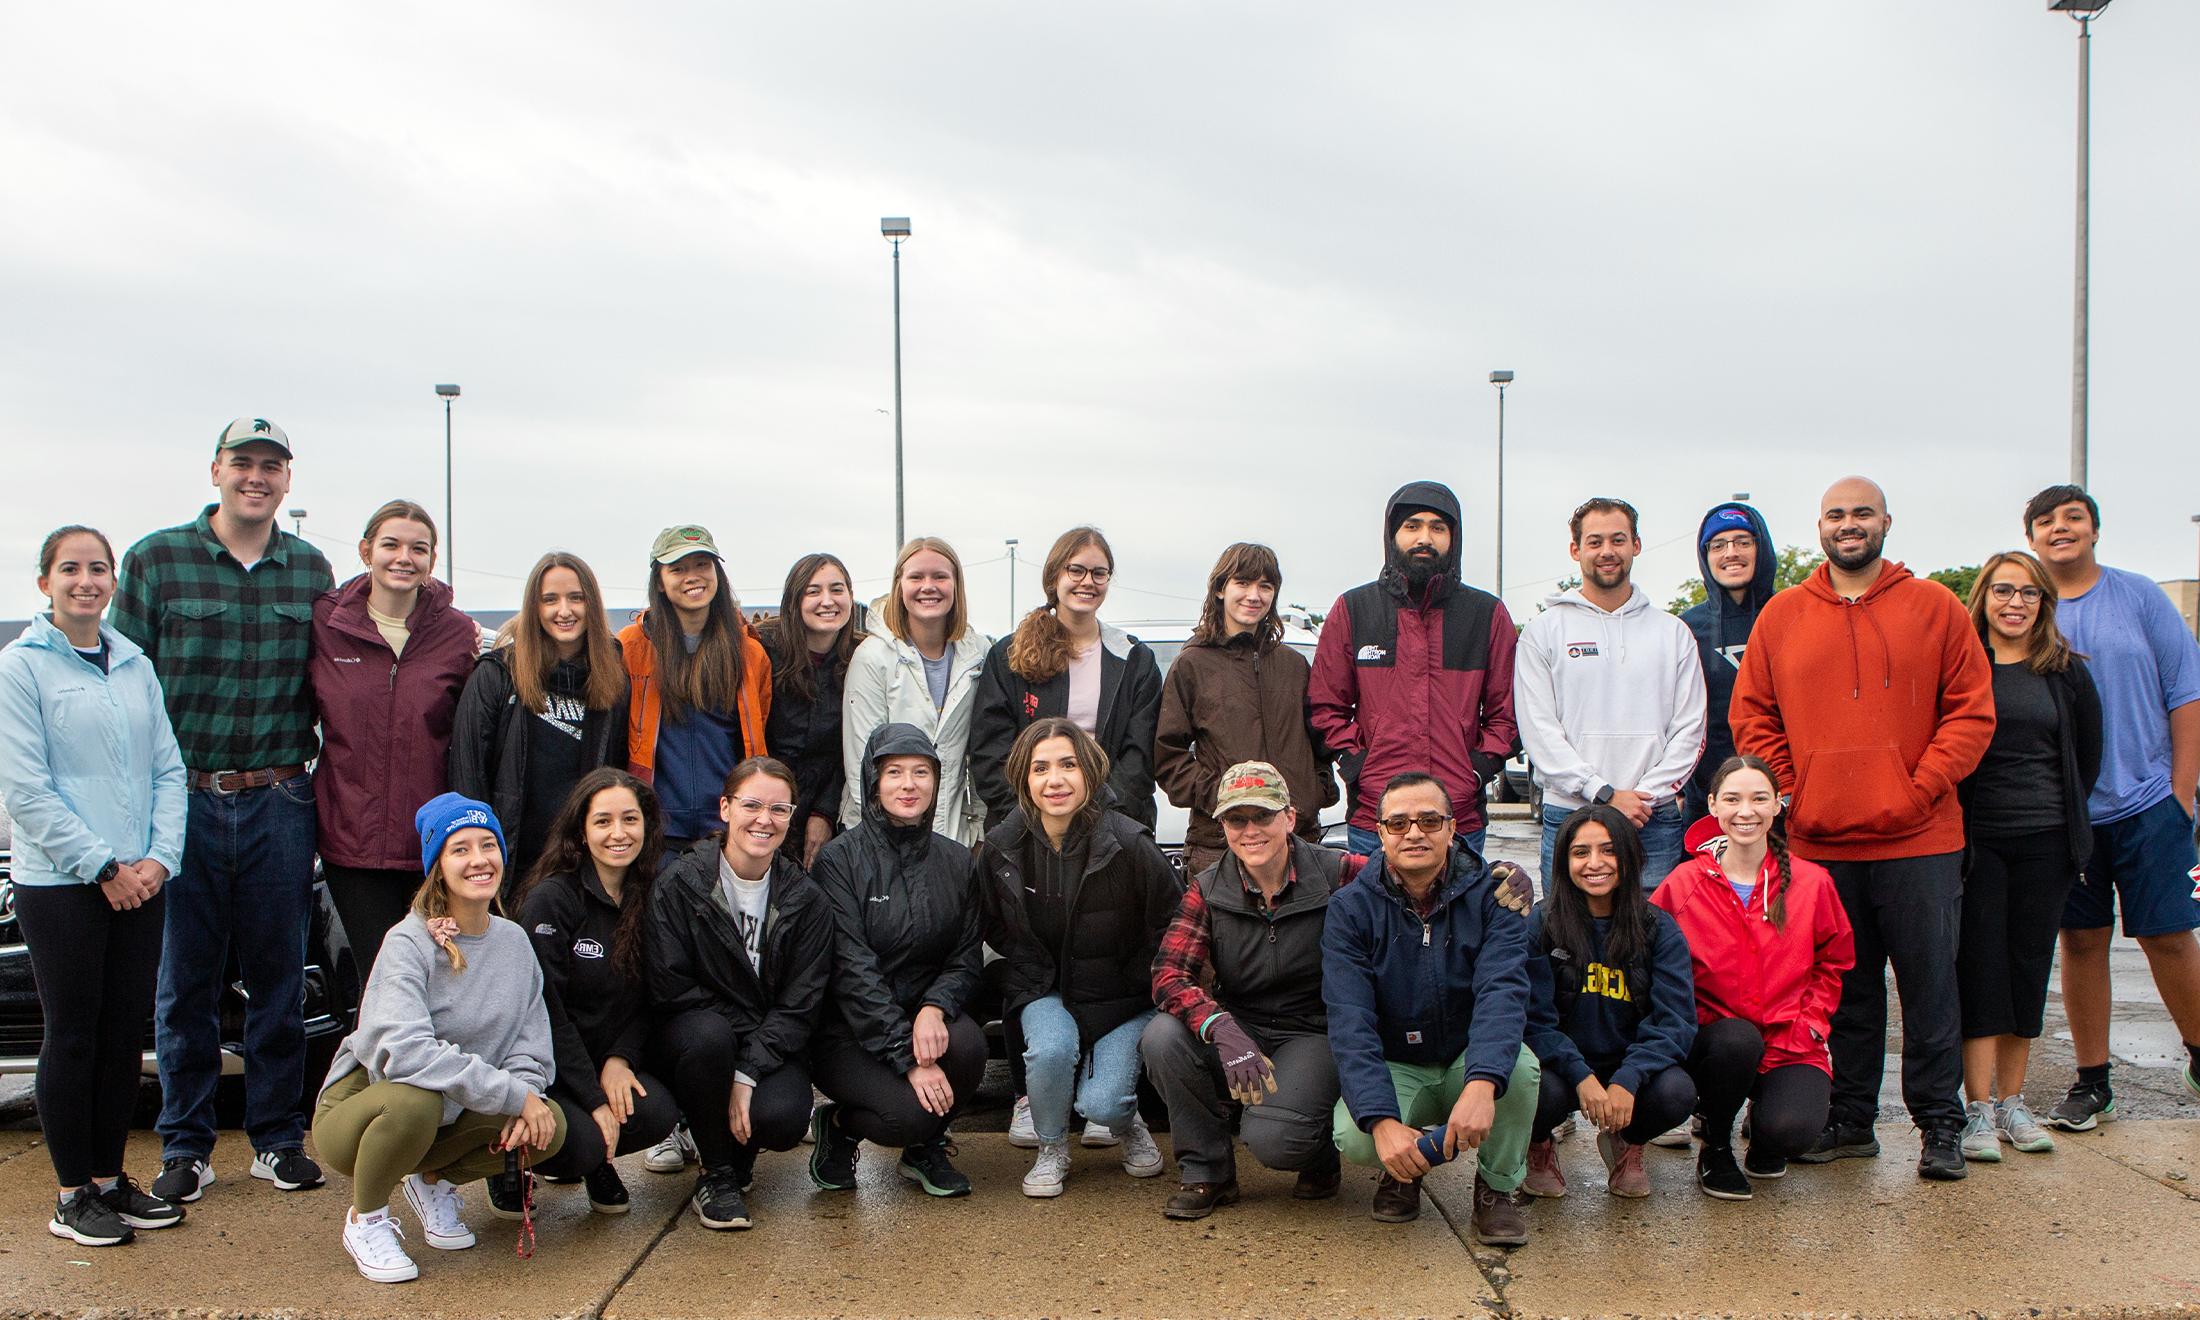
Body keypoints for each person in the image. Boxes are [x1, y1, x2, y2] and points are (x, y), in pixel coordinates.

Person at [1730, 476, 1994, 1180]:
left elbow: (1970, 713)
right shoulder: (1784, 615)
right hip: (1820, 840)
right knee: (1844, 991)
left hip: (1921, 839)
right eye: (1836, 515)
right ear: (1819, 527)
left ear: (1886, 522)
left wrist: (1919, 789)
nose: (1850, 525)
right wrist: (1792, 793)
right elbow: (1753, 717)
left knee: (1931, 985)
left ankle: (1940, 1122)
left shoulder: (1935, 607)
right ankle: (1850, 1119)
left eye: (1863, 514)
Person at [111, 417, 335, 1204]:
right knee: (186, 986)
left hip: (279, 797)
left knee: (280, 982)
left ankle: (278, 1139)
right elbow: (122, 689)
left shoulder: (311, 571)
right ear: (215, 470)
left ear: (287, 479)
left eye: (272, 466)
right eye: (244, 462)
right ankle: (187, 1146)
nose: (257, 477)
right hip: (184, 803)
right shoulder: (156, 560)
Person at [0, 527, 189, 1246]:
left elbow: (167, 771)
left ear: (114, 580)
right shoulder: (20, 668)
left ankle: (111, 1180)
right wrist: (102, 868)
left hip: (141, 880)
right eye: (70, 568)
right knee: (74, 1036)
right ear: (45, 582)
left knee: (120, 1038)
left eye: (98, 568)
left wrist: (157, 861)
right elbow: (26, 788)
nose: (86, 580)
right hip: (63, 885)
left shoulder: (135, 663)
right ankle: (72, 1194)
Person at [310, 794, 563, 1284]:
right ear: (438, 867)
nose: (478, 860)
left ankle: (432, 1181)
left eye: (487, 845)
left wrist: (525, 1095)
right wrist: (511, 1095)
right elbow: (405, 1054)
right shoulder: (409, 942)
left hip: (448, 1110)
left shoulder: (514, 942)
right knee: (415, 1101)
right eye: (460, 849)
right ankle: (366, 1220)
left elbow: (531, 1045)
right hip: (362, 1113)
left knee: (548, 1124)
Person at [2024, 485, 2200, 1123]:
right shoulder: (2029, 609)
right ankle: (2092, 1080)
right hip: (2070, 815)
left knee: (2169, 936)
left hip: (2150, 802)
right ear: (2032, 539)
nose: (2060, 528)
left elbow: (2186, 692)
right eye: (2046, 522)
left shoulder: (2139, 596)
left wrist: (2181, 797)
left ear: (2094, 530)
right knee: (2081, 940)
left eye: (2073, 518)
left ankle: (2199, 1051)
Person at [1323, 772, 1539, 1246]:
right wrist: (1381, 1123)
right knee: (1356, 1137)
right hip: (1399, 1060)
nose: (1414, 832)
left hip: (1467, 1053)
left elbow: (1502, 992)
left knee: (1520, 1072)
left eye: (1428, 820)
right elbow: (1349, 1019)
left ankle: (1497, 1189)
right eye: (1398, 823)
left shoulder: (1495, 896)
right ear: (1379, 832)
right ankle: (1405, 1167)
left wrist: (1483, 1084)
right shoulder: (1349, 909)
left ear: (1452, 827)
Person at [980, 718, 1179, 1198]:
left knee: (1104, 1106)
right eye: (1040, 768)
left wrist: (1145, 983)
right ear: (1023, 779)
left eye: (1068, 764)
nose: (1055, 780)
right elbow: (992, 925)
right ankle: (1052, 1149)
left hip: (1122, 998)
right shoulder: (1002, 846)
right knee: (1049, 1049)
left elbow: (1172, 929)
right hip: (1047, 988)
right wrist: (1026, 977)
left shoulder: (1130, 843)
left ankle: (1126, 1122)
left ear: (1089, 771)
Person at [1143, 761, 1346, 1219]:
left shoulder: (1337, 872)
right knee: (1161, 1038)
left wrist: (1489, 874)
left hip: (1313, 1031)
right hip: (1241, 1026)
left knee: (1275, 1141)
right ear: (1222, 826)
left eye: (1263, 816)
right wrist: (1219, 1025)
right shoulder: (1208, 888)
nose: (1250, 830)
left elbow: (1411, 869)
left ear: (1290, 818)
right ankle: (1206, 1171)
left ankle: (1317, 1153)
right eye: (1237, 819)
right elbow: (1169, 974)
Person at [1651, 757, 1855, 1200]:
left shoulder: (1812, 882)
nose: (1747, 811)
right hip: (1717, 1041)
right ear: (1712, 806)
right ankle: (1717, 1142)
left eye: (1760, 798)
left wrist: (1811, 1023)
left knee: (1792, 1132)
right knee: (1737, 1041)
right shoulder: (1684, 883)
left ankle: (1765, 1136)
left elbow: (1834, 961)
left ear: (1778, 805)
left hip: (1790, 1038)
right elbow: (1658, 967)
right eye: (1733, 799)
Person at [1955, 551, 2103, 1160]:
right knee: (1980, 970)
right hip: (1976, 843)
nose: (2016, 603)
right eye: (2004, 591)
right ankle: (1977, 1110)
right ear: (1984, 597)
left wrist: (2062, 831)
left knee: (2026, 968)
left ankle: (2013, 1103)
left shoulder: (2065, 673)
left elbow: (2085, 761)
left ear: (2045, 603)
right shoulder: (1964, 666)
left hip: (2047, 844)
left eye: (2030, 593)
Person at [649, 757, 833, 1227]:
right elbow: (671, 986)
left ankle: (735, 1155)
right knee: (709, 1036)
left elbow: (802, 1002)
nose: (764, 820)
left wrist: (748, 1070)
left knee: (785, 1117)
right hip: (698, 1038)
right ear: (725, 808)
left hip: (767, 1043)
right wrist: (739, 1046)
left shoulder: (804, 897)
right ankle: (715, 1173)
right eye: (751, 805)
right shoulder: (682, 884)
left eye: (779, 809)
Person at [809, 725, 988, 1199]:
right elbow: (853, 972)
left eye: (920, 772)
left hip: (918, 1017)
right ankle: (842, 1124)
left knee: (969, 1047)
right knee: (904, 1114)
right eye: (894, 773)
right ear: (873, 783)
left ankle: (923, 1148)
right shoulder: (839, 861)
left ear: (936, 781)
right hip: (847, 1029)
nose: (908, 785)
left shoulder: (956, 862)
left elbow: (965, 955)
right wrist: (909, 1060)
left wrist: (934, 1008)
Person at [312, 501, 480, 969]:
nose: (404, 557)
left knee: (436, 972)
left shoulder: (456, 633)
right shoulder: (326, 625)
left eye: (418, 548)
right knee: (379, 973)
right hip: (350, 843)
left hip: (430, 844)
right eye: (391, 544)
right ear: (366, 551)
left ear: (431, 560)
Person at [1309, 481, 1518, 857]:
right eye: (1413, 526)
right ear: (1392, 535)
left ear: (1454, 538)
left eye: (1438, 528)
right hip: (1376, 820)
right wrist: (1360, 768)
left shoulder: (1486, 615)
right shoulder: (1354, 610)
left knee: (1459, 917)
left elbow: (1509, 713)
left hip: (1458, 820)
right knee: (1374, 917)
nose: (1425, 537)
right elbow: (1326, 707)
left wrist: (1474, 772)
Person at [511, 769, 680, 1215]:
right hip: (544, 1067)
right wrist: (592, 1096)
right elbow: (545, 1011)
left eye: (630, 819)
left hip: (604, 1058)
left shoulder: (652, 895)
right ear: (581, 832)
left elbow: (655, 996)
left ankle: (596, 1157)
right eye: (603, 821)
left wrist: (620, 1059)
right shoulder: (552, 899)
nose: (618, 833)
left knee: (658, 1111)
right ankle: (510, 1166)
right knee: (580, 1139)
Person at [1516, 497, 1708, 889]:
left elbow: (1690, 727)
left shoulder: (1672, 633)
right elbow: (1539, 730)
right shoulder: (1543, 632)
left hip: (1652, 818)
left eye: (1618, 540)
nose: (1607, 551)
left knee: (1650, 940)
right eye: (1595, 541)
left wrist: (1643, 797)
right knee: (1565, 942)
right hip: (1569, 815)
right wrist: (1602, 793)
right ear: (1576, 550)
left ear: (1636, 545)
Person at [1518, 805, 1697, 1202]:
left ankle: (1626, 1141)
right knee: (1528, 1087)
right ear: (1564, 861)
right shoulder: (1542, 924)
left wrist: (1629, 1078)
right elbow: (1532, 1020)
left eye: (1609, 850)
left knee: (1677, 1093)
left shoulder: (1659, 928)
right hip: (1562, 1068)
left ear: (1629, 858)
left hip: (1628, 1063)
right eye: (1581, 852)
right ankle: (1539, 1147)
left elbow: (1674, 1021)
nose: (1595, 863)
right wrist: (1581, 1076)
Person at [1155, 543, 1336, 878]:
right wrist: (1224, 797)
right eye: (1243, 583)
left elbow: (1321, 742)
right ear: (1221, 589)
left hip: (1298, 839)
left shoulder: (1294, 666)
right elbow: (1168, 758)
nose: (1254, 595)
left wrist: (1316, 791)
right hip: (1221, 842)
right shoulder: (1191, 665)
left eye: (1265, 586)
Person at [448, 552, 628, 886]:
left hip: (581, 868)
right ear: (534, 607)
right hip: (511, 865)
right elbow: (467, 778)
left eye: (576, 598)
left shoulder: (614, 680)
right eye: (550, 599)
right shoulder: (498, 675)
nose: (564, 610)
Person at [970, 526, 1163, 832]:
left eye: (1099, 573)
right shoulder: (1010, 655)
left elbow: (1139, 756)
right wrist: (1041, 820)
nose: (1088, 581)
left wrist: (1096, 820)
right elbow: (990, 752)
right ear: (1054, 576)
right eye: (1076, 570)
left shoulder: (1135, 660)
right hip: (1027, 828)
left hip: (1112, 827)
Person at [620, 525, 772, 854]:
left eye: (703, 564)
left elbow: (760, 733)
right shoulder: (629, 648)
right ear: (659, 581)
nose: (693, 576)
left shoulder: (749, 653)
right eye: (678, 568)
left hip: (727, 832)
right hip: (655, 832)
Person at [841, 537, 990, 846]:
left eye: (940, 576)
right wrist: (888, 845)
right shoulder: (873, 657)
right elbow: (862, 763)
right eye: (916, 577)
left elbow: (983, 752)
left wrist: (979, 830)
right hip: (881, 838)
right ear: (900, 585)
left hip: (953, 835)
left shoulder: (978, 653)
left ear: (956, 585)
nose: (928, 586)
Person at [755, 553, 861, 868]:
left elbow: (853, 748)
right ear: (794, 601)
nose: (827, 601)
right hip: (767, 804)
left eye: (837, 589)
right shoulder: (764, 653)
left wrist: (824, 812)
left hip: (832, 806)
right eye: (813, 591)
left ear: (851, 598)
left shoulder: (863, 658)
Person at [1681, 502, 1778, 822]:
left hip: (1780, 797)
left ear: (1760, 548)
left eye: (1743, 542)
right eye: (1718, 545)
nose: (1731, 552)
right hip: (1707, 800)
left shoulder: (1791, 616)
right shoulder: (1685, 628)